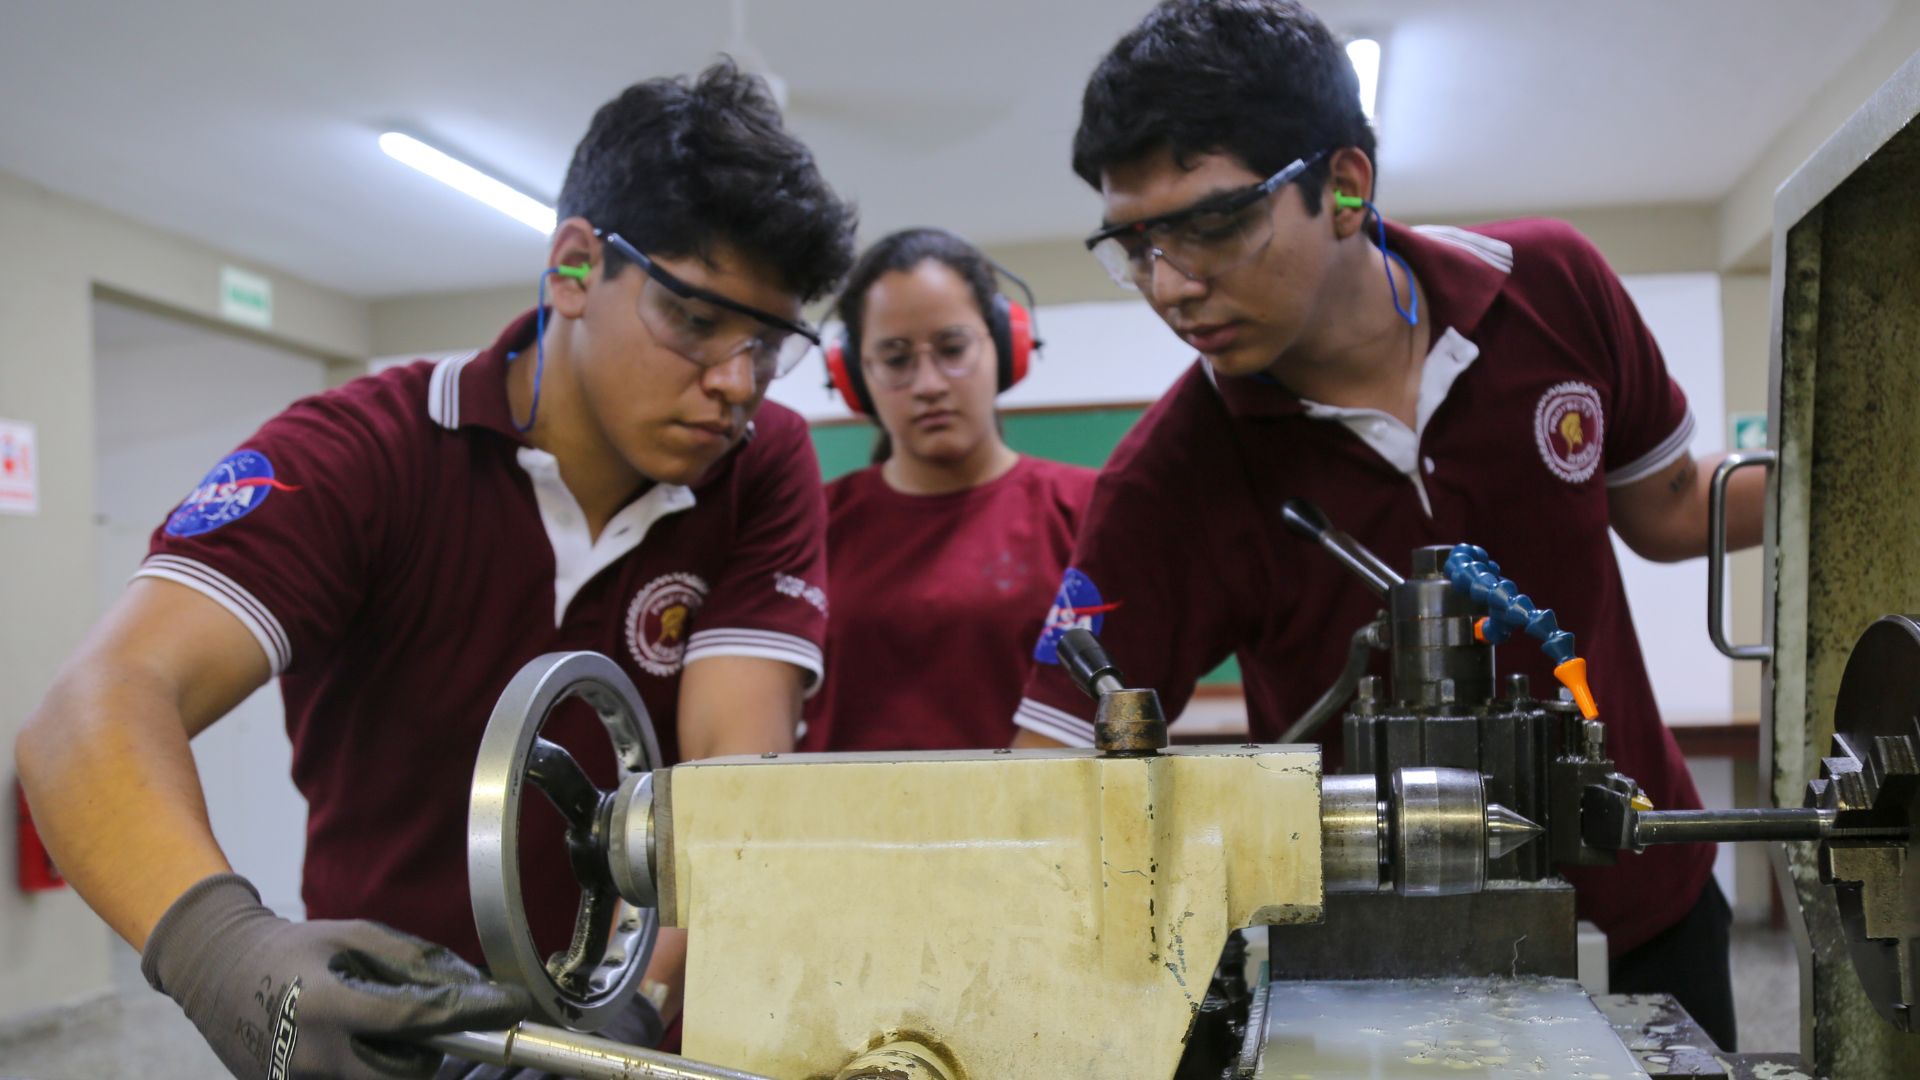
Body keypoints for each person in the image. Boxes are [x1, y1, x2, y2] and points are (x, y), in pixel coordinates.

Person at [15, 60, 855, 1079]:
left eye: (769, 345)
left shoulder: (760, 465)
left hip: (634, 1040)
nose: (736, 383)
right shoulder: (363, 453)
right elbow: (88, 713)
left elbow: (727, 781)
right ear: (574, 269)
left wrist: (635, 1000)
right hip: (380, 1040)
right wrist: (226, 955)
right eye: (695, 319)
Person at [1011, 0, 1764, 1051]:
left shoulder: (1551, 289)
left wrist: (1854, 473)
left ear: (1346, 188)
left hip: (1647, 902)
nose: (1170, 286)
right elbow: (1050, 761)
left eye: (1214, 225)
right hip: (1378, 975)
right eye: (1134, 246)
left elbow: (1673, 504)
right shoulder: (1168, 481)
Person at [801, 228, 1095, 751]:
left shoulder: (1088, 511)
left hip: (1039, 806)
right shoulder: (811, 526)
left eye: (953, 348)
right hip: (841, 807)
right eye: (896, 359)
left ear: (1004, 346)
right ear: (854, 375)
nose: (929, 384)